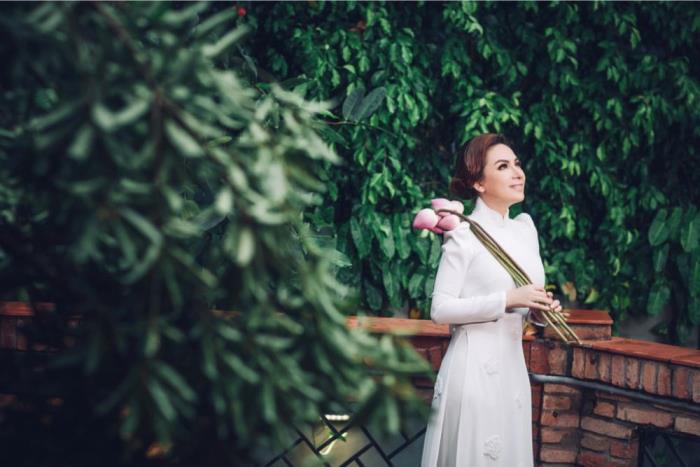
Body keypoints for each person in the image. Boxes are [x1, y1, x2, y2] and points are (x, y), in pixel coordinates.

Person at [420, 133, 565, 467]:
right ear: (478, 183)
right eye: (503, 166)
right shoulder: (464, 233)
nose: (517, 173)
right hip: (473, 371)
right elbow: (440, 308)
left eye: (517, 164)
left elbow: (526, 306)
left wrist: (540, 312)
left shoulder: (525, 229)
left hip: (513, 372)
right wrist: (507, 299)